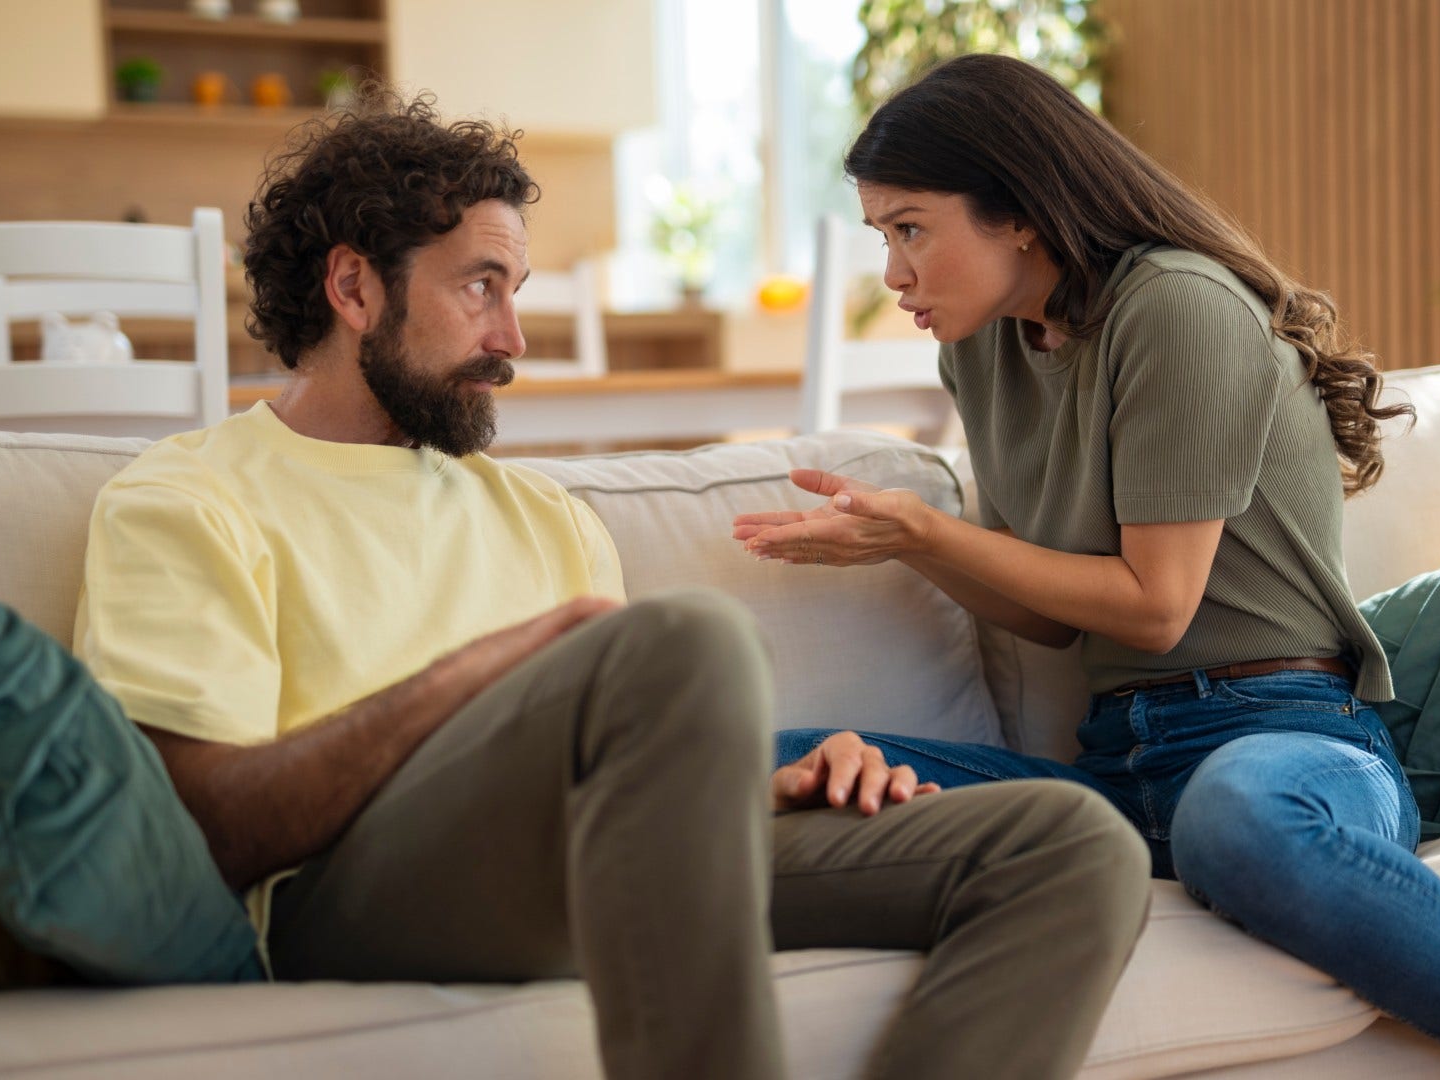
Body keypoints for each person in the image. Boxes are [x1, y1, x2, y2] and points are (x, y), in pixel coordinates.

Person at [72, 88, 1151, 1080]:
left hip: (588, 866)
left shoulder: (539, 515)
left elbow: (635, 792)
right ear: (354, 286)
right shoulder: (188, 496)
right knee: (683, 642)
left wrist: (762, 780)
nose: (514, 340)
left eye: (517, 292)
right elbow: (200, 829)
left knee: (1065, 843)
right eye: (480, 288)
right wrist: (483, 673)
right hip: (344, 893)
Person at [737, 54, 1440, 1080]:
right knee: (749, 759)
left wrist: (933, 531)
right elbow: (1049, 621)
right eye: (882, 237)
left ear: (1020, 212)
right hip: (1122, 776)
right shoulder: (984, 350)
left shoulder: (1178, 306)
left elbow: (1157, 607)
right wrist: (910, 544)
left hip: (1293, 745)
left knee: (1239, 817)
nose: (894, 275)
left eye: (912, 229)